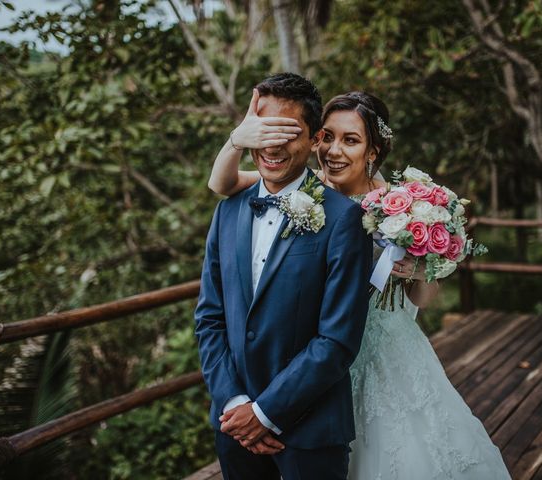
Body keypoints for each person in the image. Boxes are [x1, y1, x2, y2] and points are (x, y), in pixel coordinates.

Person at [208, 86, 512, 479]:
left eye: (350, 140)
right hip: (311, 355)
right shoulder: (307, 188)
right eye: (328, 137)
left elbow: (421, 298)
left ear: (373, 151)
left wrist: (419, 268)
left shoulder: (403, 208)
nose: (334, 151)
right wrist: (239, 139)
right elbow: (222, 183)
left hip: (381, 352)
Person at [194, 72, 373, 480]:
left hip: (311, 432)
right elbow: (209, 318)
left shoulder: (345, 219)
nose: (272, 146)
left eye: (287, 133)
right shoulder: (228, 211)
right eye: (263, 131)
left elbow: (338, 339)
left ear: (314, 140)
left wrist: (265, 413)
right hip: (233, 428)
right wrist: (235, 403)